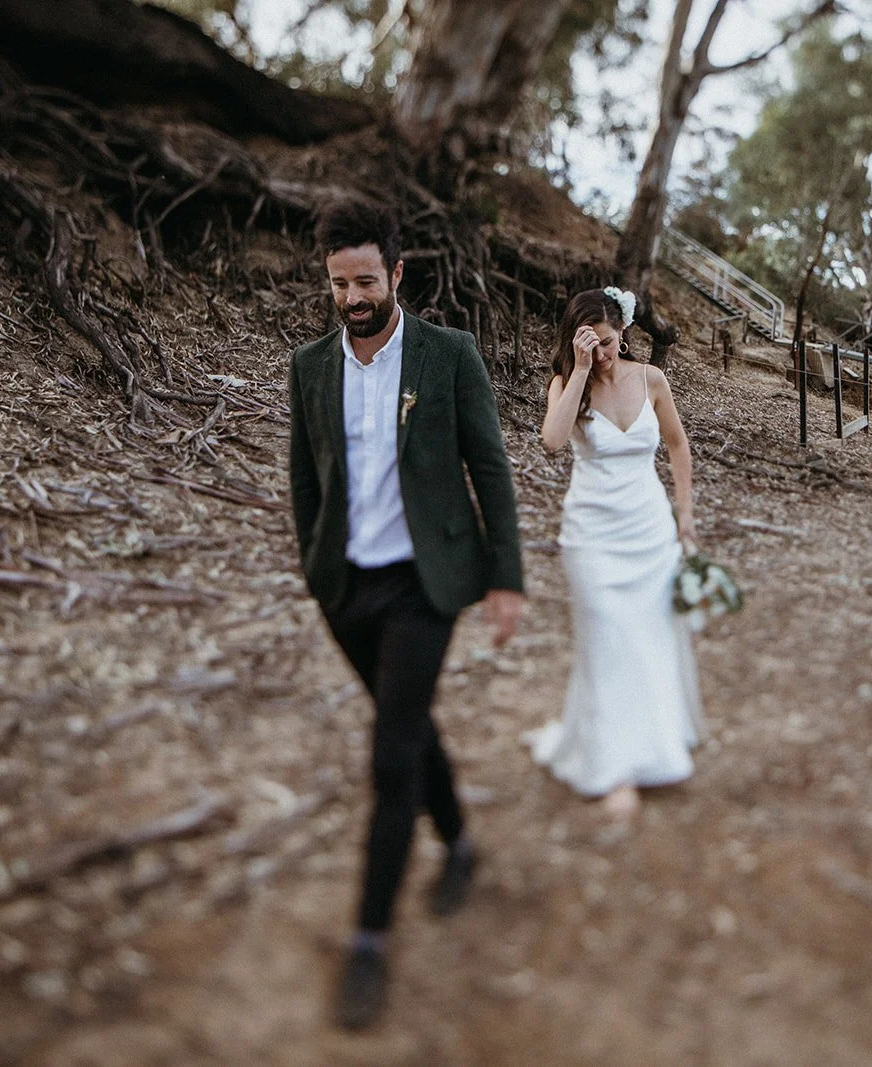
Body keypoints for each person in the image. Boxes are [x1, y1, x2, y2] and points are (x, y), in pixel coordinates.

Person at [287, 200, 525, 1030]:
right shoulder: (309, 366)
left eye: (365, 280)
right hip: (346, 588)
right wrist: (316, 571)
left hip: (426, 584)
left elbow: (489, 467)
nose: (352, 297)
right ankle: (458, 839)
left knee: (391, 755)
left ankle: (368, 940)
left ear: (396, 272)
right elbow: (305, 478)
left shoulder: (448, 354)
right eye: (338, 283)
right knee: (410, 722)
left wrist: (506, 577)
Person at [530, 287, 703, 820]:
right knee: (605, 638)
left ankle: (652, 744)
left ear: (623, 332)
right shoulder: (567, 384)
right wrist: (580, 370)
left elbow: (677, 444)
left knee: (647, 640)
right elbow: (551, 441)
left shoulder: (651, 379)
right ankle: (613, 769)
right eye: (592, 344)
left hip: (649, 531)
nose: (603, 353)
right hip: (593, 535)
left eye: (607, 342)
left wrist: (685, 516)